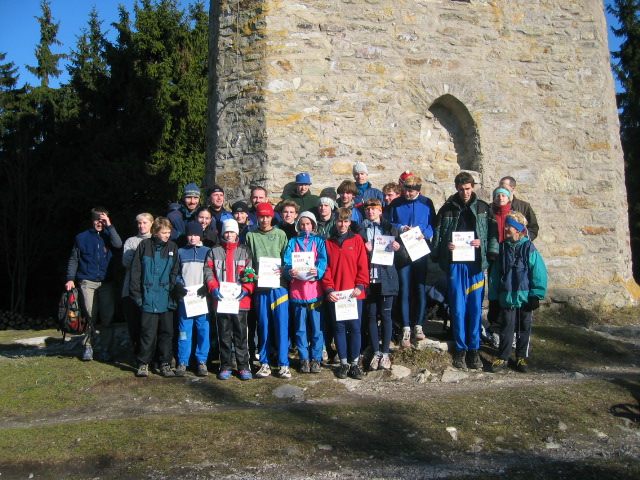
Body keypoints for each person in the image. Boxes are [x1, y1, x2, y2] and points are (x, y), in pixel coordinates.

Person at [432, 172, 499, 370]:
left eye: (468, 189)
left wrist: (484, 245)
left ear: (473, 187)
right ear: (456, 188)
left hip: (475, 265)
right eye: (461, 189)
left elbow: (493, 233)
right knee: (458, 308)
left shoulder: (483, 208)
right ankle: (460, 349)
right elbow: (438, 234)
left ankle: (474, 349)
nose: (465, 193)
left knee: (475, 308)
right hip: (455, 264)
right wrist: (446, 247)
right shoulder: (447, 209)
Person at [489, 211, 547, 373]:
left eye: (509, 225)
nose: (506, 228)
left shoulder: (528, 247)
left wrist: (536, 295)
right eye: (506, 225)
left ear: (517, 229)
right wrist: (494, 298)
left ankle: (521, 356)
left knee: (523, 327)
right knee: (506, 327)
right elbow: (495, 275)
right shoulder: (502, 248)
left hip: (525, 296)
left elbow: (538, 272)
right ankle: (503, 356)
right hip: (506, 295)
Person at [65, 206, 123, 362]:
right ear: (92, 220)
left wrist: (109, 226)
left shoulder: (109, 236)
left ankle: (105, 348)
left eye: (102, 220)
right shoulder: (81, 237)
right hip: (87, 281)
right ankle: (88, 346)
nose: (99, 223)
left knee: (107, 317)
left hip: (106, 282)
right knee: (89, 315)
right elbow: (74, 258)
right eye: (97, 220)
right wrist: (70, 278)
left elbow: (118, 245)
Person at [204, 219, 255, 381]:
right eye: (226, 232)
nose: (229, 235)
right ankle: (225, 365)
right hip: (221, 301)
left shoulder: (245, 250)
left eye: (232, 232)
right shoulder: (214, 251)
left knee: (241, 334)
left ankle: (243, 366)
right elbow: (208, 271)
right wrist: (213, 288)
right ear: (222, 233)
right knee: (224, 334)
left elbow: (251, 272)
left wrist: (246, 289)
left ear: (237, 233)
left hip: (240, 301)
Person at [129, 217, 180, 378]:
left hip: (166, 297)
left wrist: (173, 295)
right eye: (164, 232)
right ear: (155, 232)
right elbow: (136, 272)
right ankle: (143, 362)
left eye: (169, 232)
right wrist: (137, 297)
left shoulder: (172, 247)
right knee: (147, 333)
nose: (167, 235)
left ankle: (165, 363)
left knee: (167, 333)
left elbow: (175, 272)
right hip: (148, 297)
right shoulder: (144, 246)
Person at [322, 208, 370, 380]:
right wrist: (329, 289)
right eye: (339, 221)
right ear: (335, 222)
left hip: (354, 294)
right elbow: (325, 268)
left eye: (346, 221)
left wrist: (361, 285)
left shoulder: (357, 240)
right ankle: (343, 364)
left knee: (355, 328)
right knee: (339, 328)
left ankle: (354, 364)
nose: (342, 224)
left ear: (350, 222)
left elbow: (363, 265)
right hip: (336, 294)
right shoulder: (328, 243)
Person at [359, 198, 406, 370]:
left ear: (380, 211)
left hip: (386, 278)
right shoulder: (360, 230)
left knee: (386, 316)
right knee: (371, 316)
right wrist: (363, 249)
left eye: (374, 208)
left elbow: (404, 258)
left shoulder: (391, 229)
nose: (370, 211)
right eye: (367, 209)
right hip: (368, 278)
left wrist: (398, 248)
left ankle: (385, 353)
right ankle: (376, 352)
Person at [245, 202, 291, 379]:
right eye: (261, 216)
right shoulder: (251, 235)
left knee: (281, 325)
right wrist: (250, 273)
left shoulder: (280, 234)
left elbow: (287, 258)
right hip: (261, 287)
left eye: (267, 216)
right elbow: (247, 260)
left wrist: (285, 268)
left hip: (279, 287)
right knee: (263, 325)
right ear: (257, 217)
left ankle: (283, 363)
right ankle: (264, 363)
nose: (264, 220)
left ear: (272, 217)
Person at [388, 174, 434, 347]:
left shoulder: (426, 203)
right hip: (402, 251)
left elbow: (433, 224)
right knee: (404, 289)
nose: (407, 194)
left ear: (418, 191)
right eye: (405, 191)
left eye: (411, 192)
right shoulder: (396, 203)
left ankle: (419, 325)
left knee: (420, 288)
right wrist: (401, 228)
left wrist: (425, 233)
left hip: (420, 249)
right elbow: (389, 221)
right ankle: (406, 327)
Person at [283, 212, 327, 374]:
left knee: (317, 328)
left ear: (313, 225)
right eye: (302, 224)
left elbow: (323, 260)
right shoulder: (293, 242)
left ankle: (316, 358)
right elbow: (287, 261)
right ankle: (304, 359)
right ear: (298, 226)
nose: (305, 227)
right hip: (297, 291)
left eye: (308, 223)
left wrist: (319, 271)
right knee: (300, 329)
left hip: (315, 291)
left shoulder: (319, 241)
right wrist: (289, 271)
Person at [173, 222, 211, 377]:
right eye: (190, 235)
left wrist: (207, 286)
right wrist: (179, 285)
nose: (193, 238)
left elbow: (211, 271)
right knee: (184, 331)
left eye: (196, 235)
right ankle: (182, 361)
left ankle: (202, 361)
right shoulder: (181, 252)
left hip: (202, 298)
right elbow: (176, 272)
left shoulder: (207, 251)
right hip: (186, 299)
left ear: (201, 236)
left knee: (203, 330)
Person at [122, 212, 154, 355]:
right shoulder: (131, 241)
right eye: (139, 223)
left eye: (144, 222)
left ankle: (148, 355)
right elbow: (126, 262)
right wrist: (143, 255)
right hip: (131, 288)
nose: (141, 225)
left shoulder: (155, 240)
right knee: (134, 324)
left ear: (152, 223)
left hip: (150, 289)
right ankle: (137, 353)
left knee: (147, 325)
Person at [499, 176, 539, 241]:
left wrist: (523, 240)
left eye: (504, 187)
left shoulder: (524, 206)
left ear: (512, 188)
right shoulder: (492, 207)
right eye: (499, 187)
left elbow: (533, 228)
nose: (501, 189)